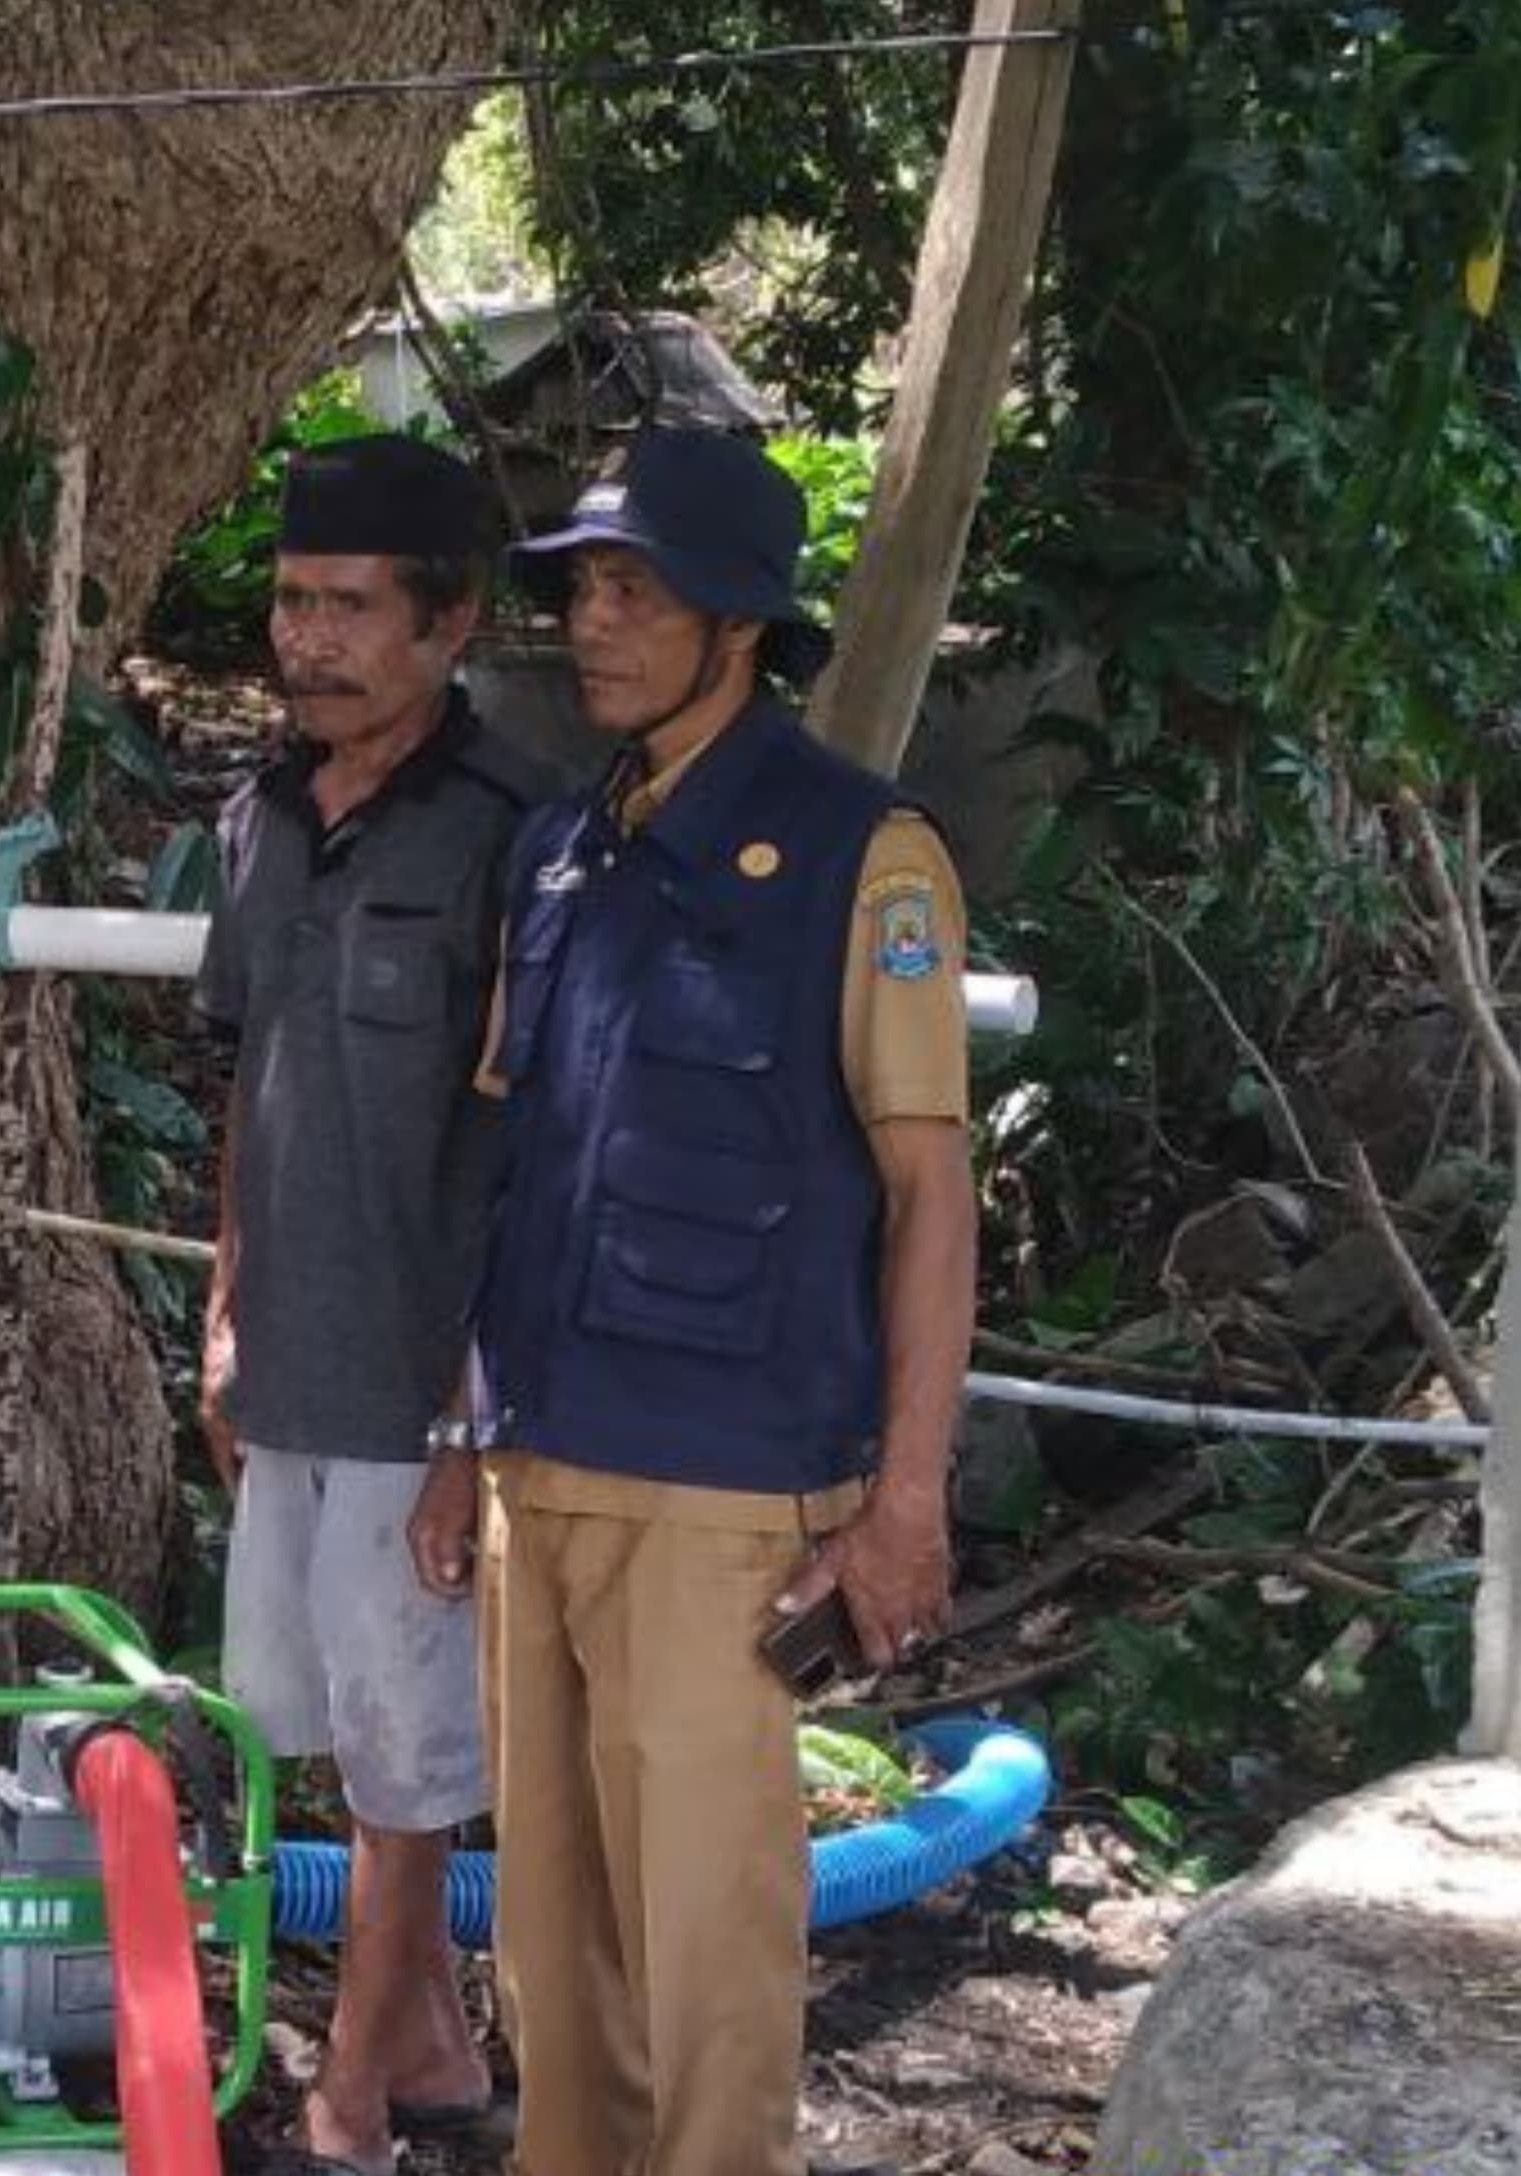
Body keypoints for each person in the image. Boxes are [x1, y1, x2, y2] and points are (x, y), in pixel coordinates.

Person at [412, 426, 977, 2176]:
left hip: (729, 1495)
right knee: (554, 1965)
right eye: (581, 585)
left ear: (737, 622)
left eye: (631, 589)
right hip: (540, 1469)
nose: (591, 620)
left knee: (710, 1959)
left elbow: (928, 1193)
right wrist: (457, 1434)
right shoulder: (565, 851)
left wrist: (903, 1498)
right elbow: (514, 1164)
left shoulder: (858, 856)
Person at [194, 434, 545, 2176]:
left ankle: (347, 2106)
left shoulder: (513, 844)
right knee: (314, 1722)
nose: (307, 639)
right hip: (291, 1368)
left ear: (450, 626)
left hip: (429, 1391)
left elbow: (529, 1148)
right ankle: (435, 2053)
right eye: (291, 601)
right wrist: (223, 1306)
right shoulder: (257, 821)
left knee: (411, 1764)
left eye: (350, 609)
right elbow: (247, 1079)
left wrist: (476, 1427)